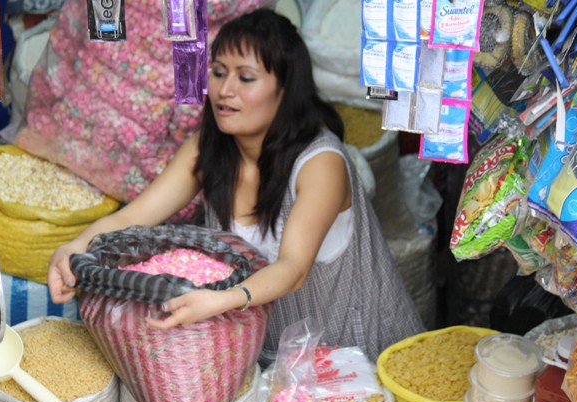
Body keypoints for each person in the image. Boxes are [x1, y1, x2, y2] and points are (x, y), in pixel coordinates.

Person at [48, 8, 423, 361]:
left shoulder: (319, 163)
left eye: (245, 78)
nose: (225, 90)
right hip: (268, 357)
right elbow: (137, 215)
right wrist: (74, 247)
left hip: (352, 353)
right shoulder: (209, 149)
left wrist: (224, 299)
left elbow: (293, 267)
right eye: (218, 72)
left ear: (285, 90)